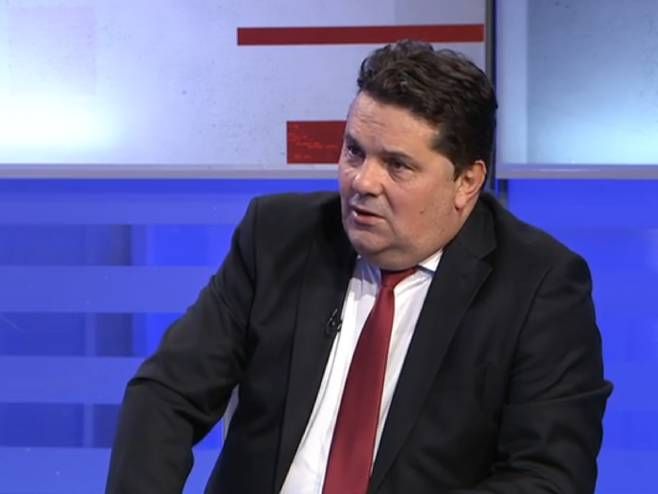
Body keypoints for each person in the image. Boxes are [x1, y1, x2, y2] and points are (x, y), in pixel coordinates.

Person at [106, 40, 611, 493]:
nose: (363, 182)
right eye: (354, 151)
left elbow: (549, 478)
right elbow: (168, 393)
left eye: (397, 165)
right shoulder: (278, 238)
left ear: (466, 182)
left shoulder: (538, 287)